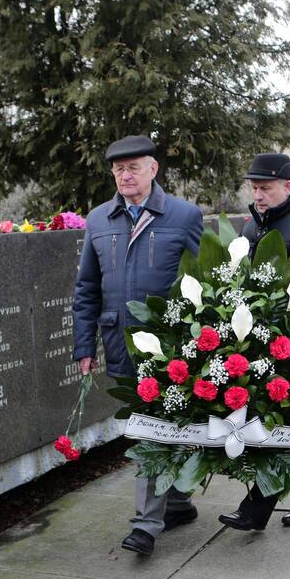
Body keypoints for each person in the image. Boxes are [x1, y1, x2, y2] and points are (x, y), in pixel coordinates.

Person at [72, 135, 204, 555]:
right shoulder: (99, 220)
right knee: (151, 426)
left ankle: (146, 525)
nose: (125, 176)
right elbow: (87, 288)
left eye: (133, 168)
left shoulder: (183, 216)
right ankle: (178, 502)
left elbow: (205, 280)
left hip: (168, 347)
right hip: (118, 342)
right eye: (118, 170)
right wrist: (84, 345)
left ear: (153, 170)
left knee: (151, 428)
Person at [218, 153, 290, 532]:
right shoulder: (252, 227)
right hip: (255, 337)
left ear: (288, 187)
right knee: (273, 422)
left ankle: (256, 510)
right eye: (254, 188)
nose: (258, 195)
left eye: (265, 188)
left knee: (278, 421)